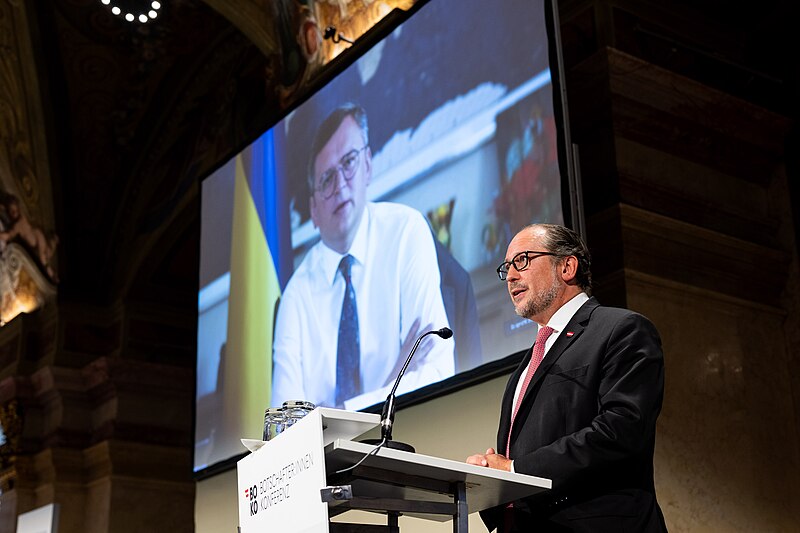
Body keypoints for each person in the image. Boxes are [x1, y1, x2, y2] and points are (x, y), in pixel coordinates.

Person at [467, 223, 666, 532]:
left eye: (522, 261)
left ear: (567, 266)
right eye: (506, 268)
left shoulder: (621, 329)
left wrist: (515, 469)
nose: (511, 277)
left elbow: (621, 430)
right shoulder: (527, 363)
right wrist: (492, 479)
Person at [271, 103, 454, 410]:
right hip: (329, 460)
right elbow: (285, 428)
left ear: (368, 165)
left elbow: (436, 370)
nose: (340, 184)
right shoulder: (297, 294)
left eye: (349, 163)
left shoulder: (406, 232)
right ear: (313, 210)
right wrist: (391, 383)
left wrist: (337, 417)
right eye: (326, 179)